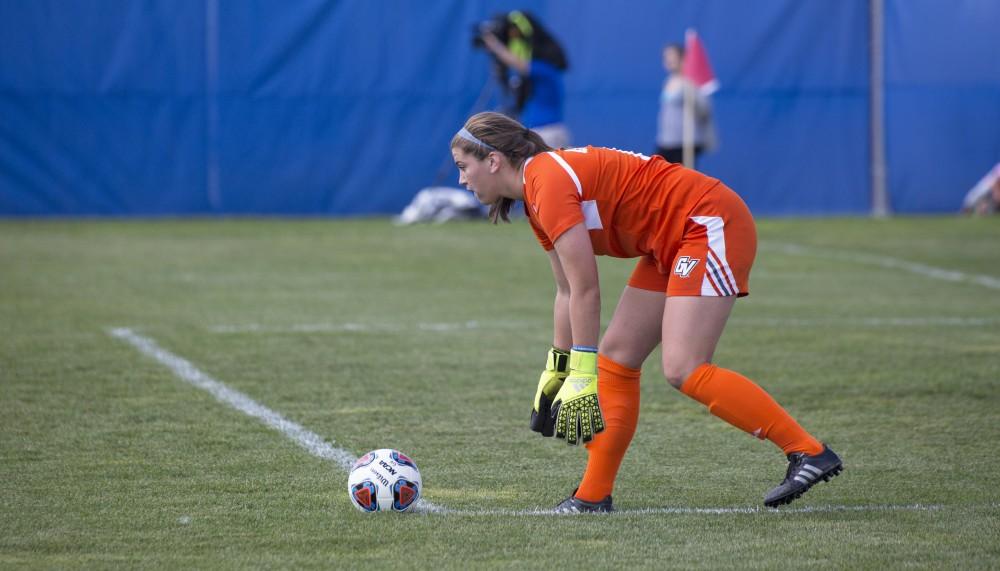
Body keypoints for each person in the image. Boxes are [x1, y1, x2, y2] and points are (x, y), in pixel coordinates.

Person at [450, 111, 842, 513]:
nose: (462, 179)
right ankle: (592, 496)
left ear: (494, 161)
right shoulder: (535, 196)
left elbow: (587, 288)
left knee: (683, 367)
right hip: (670, 241)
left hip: (707, 222)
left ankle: (808, 452)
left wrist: (582, 375)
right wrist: (558, 365)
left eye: (464, 167)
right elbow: (565, 290)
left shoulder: (545, 181)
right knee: (617, 357)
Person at [476, 11, 571, 149]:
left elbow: (518, 64)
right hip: (543, 131)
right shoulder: (545, 71)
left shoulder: (545, 69)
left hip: (547, 132)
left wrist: (495, 45)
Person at [655, 43, 716, 166]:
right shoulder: (668, 81)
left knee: (682, 181)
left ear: (682, 58)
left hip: (685, 142)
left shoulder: (692, 81)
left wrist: (691, 96)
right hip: (666, 141)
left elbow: (704, 110)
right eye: (665, 57)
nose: (668, 60)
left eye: (672, 56)